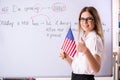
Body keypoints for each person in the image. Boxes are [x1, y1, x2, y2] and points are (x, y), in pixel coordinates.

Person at [59, 6, 105, 80]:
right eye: (82, 19)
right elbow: (79, 68)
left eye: (89, 19)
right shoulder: (83, 37)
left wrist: (85, 51)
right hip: (75, 76)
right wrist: (66, 58)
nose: (85, 22)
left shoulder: (95, 39)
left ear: (95, 21)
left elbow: (96, 68)